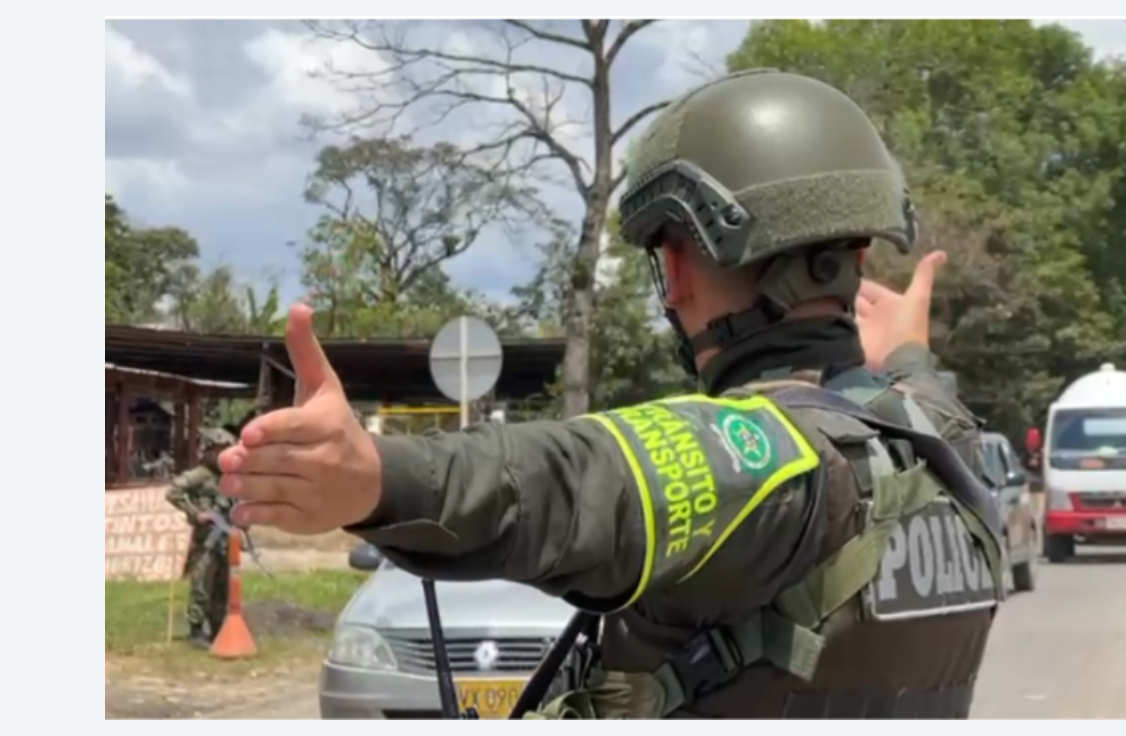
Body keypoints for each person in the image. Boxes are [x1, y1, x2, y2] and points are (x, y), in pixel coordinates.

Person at [217, 70, 1001, 720]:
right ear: (859, 254)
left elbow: (570, 480)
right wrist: (905, 353)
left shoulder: (772, 470)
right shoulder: (947, 442)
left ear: (681, 266)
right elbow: (916, 384)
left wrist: (377, 477)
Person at [166, 431, 235, 648]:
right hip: (206, 542)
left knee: (222, 588)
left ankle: (217, 630)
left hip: (225, 540)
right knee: (201, 585)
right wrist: (196, 514)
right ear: (207, 451)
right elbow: (173, 491)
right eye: (218, 450)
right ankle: (196, 631)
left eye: (225, 450)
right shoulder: (199, 475)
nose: (222, 455)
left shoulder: (228, 478)